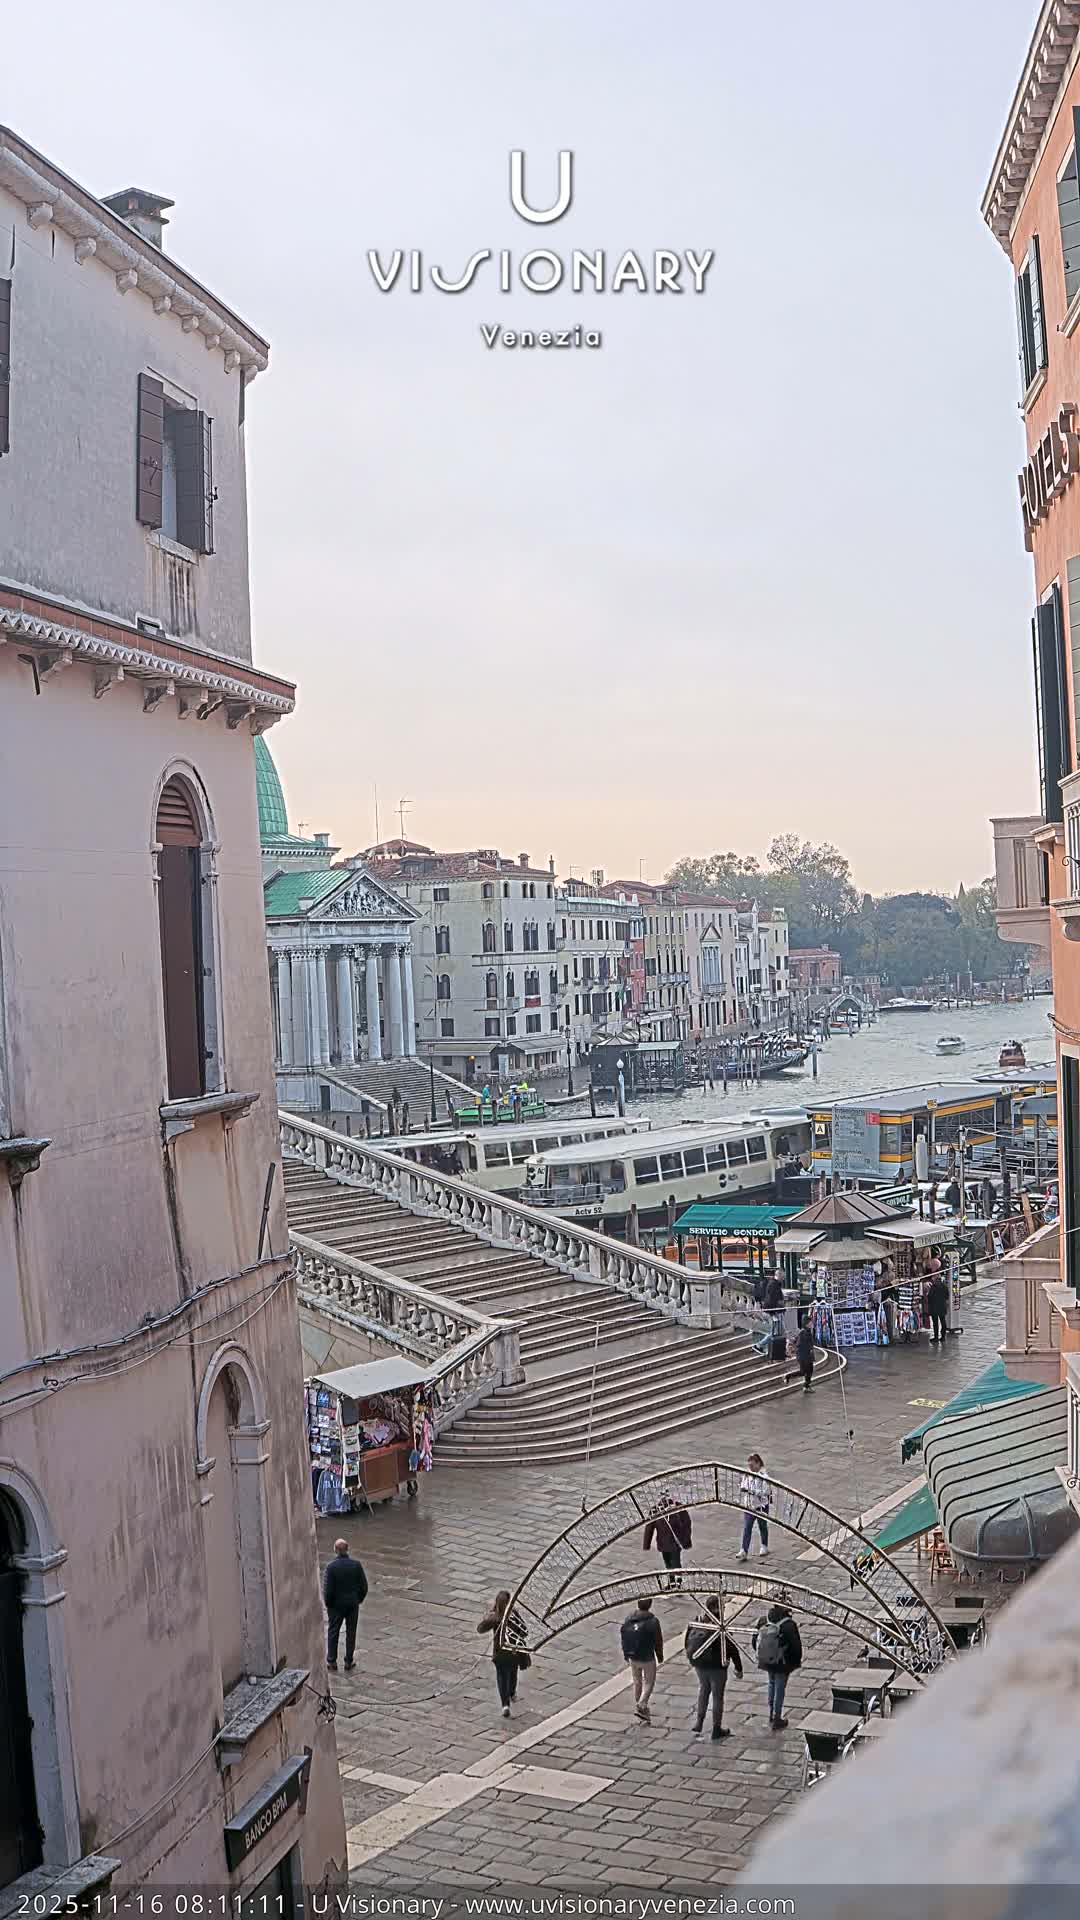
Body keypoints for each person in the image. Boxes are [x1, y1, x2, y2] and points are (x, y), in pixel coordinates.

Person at [685, 1596, 743, 1740]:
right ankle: (716, 1729)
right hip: (717, 1666)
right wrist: (738, 1667)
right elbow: (732, 1648)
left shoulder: (698, 1620)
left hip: (699, 1664)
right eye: (722, 1606)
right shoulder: (721, 1625)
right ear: (717, 1608)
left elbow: (687, 1640)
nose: (724, 1609)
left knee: (703, 1690)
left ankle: (699, 1722)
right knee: (717, 1697)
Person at [477, 1588, 528, 1717]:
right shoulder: (513, 1614)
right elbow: (524, 1630)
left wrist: (488, 1618)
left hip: (500, 1653)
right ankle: (511, 1694)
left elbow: (480, 1629)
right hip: (513, 1652)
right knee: (512, 1674)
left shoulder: (495, 1616)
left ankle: (505, 1704)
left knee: (502, 1677)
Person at [753, 1600, 802, 1730]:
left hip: (768, 1661)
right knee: (780, 1687)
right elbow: (796, 1647)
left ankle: (771, 1712)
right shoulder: (789, 1624)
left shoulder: (764, 1620)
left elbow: (755, 1640)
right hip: (783, 1662)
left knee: (771, 1683)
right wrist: (795, 1662)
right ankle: (777, 1717)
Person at [323, 1538, 368, 1672]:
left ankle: (332, 1661)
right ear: (347, 1549)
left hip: (336, 1605)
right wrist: (358, 1599)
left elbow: (328, 1590)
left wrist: (328, 1604)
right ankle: (348, 1661)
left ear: (336, 1550)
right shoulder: (356, 1565)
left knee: (333, 1632)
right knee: (351, 1632)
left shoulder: (331, 1567)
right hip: (352, 1604)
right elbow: (364, 1586)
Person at [620, 1596, 664, 1722]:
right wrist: (660, 1655)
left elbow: (624, 1637)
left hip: (633, 1656)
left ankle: (639, 1705)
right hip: (647, 1657)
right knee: (649, 1681)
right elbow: (658, 1640)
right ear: (650, 1605)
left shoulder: (629, 1618)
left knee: (637, 1680)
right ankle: (642, 1704)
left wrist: (625, 1654)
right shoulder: (653, 1621)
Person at [643, 1495, 693, 1587]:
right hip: (663, 1543)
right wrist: (646, 1544)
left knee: (675, 1562)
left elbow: (686, 1524)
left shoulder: (678, 1508)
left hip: (674, 1543)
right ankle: (672, 1581)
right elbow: (649, 1527)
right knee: (668, 1563)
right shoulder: (656, 1510)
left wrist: (686, 1541)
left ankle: (677, 1581)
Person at [737, 1453, 771, 1559]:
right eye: (749, 1466)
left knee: (762, 1526)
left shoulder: (764, 1477)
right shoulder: (747, 1475)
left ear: (758, 1464)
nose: (750, 1468)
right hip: (749, 1505)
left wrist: (751, 1491)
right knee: (747, 1527)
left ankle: (764, 1545)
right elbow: (743, 1484)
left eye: (752, 1465)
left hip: (761, 1505)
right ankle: (744, 1550)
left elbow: (765, 1491)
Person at [926, 1267, 949, 1345]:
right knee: (943, 1321)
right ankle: (943, 1336)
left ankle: (936, 1337)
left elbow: (929, 1296)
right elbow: (947, 1296)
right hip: (942, 1306)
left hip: (934, 1307)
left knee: (935, 1323)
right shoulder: (944, 1286)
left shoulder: (933, 1286)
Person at [794, 1318, 815, 1392]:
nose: (812, 1323)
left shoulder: (809, 1331)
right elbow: (799, 1345)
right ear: (806, 1324)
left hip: (809, 1356)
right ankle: (787, 1376)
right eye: (810, 1322)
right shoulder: (803, 1332)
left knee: (810, 1371)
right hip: (803, 1356)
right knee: (803, 1372)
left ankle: (806, 1386)